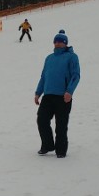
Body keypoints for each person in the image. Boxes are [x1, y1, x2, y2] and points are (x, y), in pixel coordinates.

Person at [34, 30, 80, 159]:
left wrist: (69, 91)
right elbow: (44, 77)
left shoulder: (72, 57)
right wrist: (38, 93)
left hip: (63, 96)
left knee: (61, 125)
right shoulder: (49, 58)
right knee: (41, 120)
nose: (57, 43)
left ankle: (61, 150)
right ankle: (47, 145)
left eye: (60, 41)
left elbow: (76, 76)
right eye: (56, 41)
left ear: (65, 43)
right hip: (48, 96)